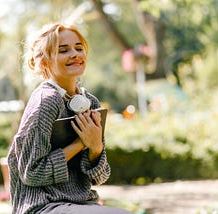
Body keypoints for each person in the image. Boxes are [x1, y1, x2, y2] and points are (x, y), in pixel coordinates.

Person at [7, 23, 132, 214]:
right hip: (42, 206)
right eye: (63, 50)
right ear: (45, 61)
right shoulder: (45, 101)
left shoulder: (90, 102)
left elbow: (100, 177)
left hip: (81, 204)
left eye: (79, 48)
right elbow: (31, 173)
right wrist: (81, 144)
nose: (75, 54)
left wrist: (96, 148)